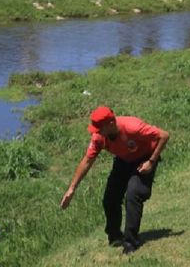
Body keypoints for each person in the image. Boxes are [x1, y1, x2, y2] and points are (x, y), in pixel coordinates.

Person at [60, 106, 170, 255]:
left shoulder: (132, 127)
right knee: (110, 198)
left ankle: (131, 242)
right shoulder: (99, 137)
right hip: (123, 160)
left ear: (111, 124)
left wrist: (151, 161)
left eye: (99, 129)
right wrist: (72, 189)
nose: (95, 133)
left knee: (133, 194)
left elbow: (164, 135)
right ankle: (115, 236)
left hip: (144, 159)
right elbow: (87, 161)